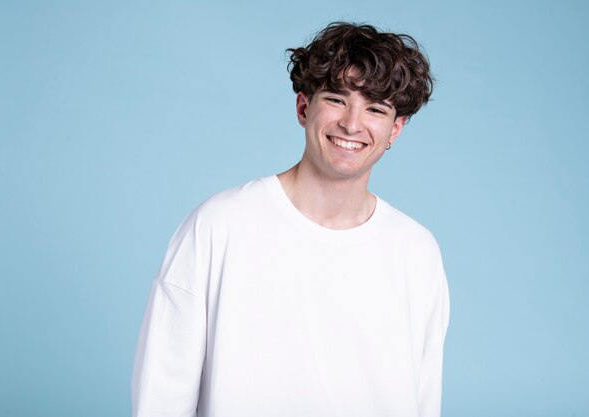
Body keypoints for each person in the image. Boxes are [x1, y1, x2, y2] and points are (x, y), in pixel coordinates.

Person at [132, 22, 450, 417]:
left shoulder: (415, 251)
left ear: (395, 129)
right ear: (303, 107)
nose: (352, 124)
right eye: (336, 99)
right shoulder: (219, 226)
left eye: (375, 108)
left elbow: (423, 397)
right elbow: (162, 394)